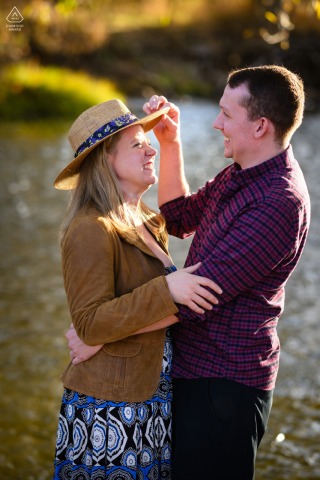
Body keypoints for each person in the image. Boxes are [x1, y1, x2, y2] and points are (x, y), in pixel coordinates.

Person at [141, 65, 311, 479]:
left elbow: (196, 299)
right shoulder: (241, 173)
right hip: (195, 373)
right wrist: (170, 142)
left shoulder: (279, 202)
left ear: (260, 127)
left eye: (226, 114)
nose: (217, 123)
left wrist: (100, 332)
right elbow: (179, 217)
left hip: (224, 388)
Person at [52, 98, 222, 480]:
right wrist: (168, 289)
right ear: (106, 161)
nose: (151, 150)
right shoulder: (90, 228)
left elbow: (160, 308)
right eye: (137, 144)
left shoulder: (148, 221)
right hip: (109, 408)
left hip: (150, 397)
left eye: (149, 142)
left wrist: (172, 143)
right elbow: (91, 322)